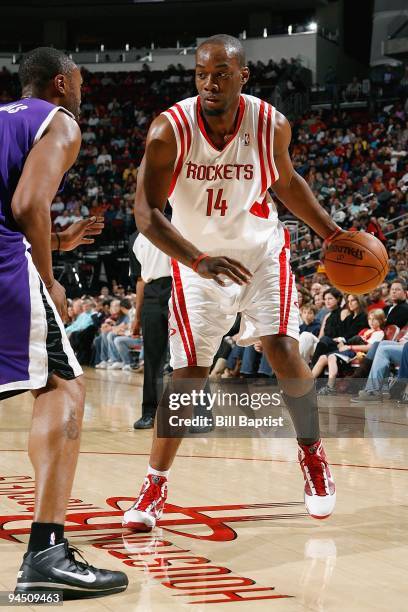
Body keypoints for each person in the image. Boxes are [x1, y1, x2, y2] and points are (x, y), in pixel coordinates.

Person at [124, 34, 341, 530]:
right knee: (188, 377)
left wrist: (330, 233)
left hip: (260, 252)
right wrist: (198, 261)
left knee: (283, 348)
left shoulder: (271, 124)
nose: (209, 82)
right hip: (197, 261)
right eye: (202, 73)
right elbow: (146, 212)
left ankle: (312, 455)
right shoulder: (168, 131)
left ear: (243, 76)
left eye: (221, 73)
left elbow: (286, 182)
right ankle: (155, 483)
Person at [0, 47, 127, 598]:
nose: (83, 89)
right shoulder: (61, 122)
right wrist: (48, 274)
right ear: (60, 82)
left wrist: (56, 238)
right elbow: (29, 204)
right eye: (80, 80)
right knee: (63, 388)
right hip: (5, 260)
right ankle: (47, 553)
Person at [132, 231, 172, 429]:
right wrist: (137, 316)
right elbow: (140, 279)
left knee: (191, 355)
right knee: (152, 358)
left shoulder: (178, 222)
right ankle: (149, 412)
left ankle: (200, 413)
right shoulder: (134, 238)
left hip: (179, 288)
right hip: (151, 293)